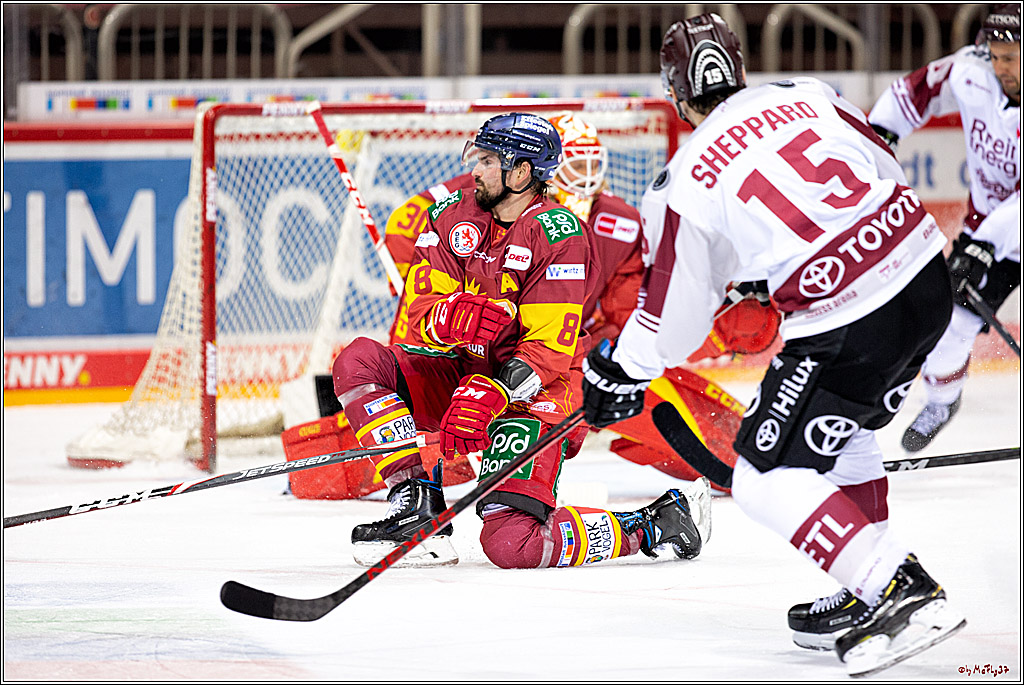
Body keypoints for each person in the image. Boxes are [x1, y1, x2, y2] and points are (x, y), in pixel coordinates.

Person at [580, 13, 966, 677]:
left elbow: (672, 318)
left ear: (677, 94)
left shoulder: (687, 175)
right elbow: (877, 159)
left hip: (851, 317)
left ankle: (897, 585)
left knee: (763, 475)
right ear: (741, 67)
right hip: (928, 275)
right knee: (845, 428)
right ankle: (860, 585)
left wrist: (620, 370)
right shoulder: (807, 92)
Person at [330, 112, 712, 569]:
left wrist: (491, 392)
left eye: (489, 160)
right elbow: (417, 314)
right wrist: (453, 317)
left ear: (521, 171)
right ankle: (416, 501)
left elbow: (549, 349)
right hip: (464, 371)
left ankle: (654, 523)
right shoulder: (450, 215)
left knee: (513, 544)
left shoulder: (562, 235)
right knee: (360, 362)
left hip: (538, 393)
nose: (475, 169)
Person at [868, 3, 1021, 452]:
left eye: (1011, 58)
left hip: (1002, 231)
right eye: (995, 55)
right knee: (952, 321)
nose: (1000, 67)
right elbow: (911, 93)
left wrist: (984, 246)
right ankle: (942, 401)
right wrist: (880, 136)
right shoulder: (972, 72)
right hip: (991, 231)